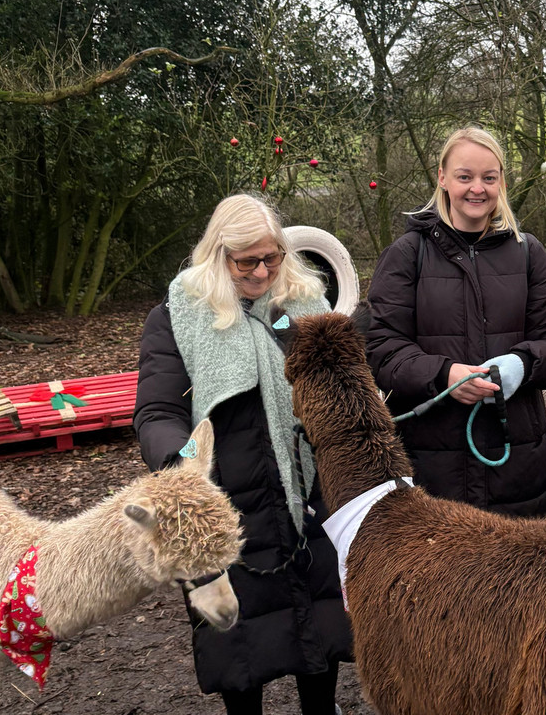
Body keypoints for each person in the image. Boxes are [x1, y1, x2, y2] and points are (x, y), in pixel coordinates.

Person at [133, 194, 352, 715]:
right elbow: (156, 412)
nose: (262, 271)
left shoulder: (304, 309)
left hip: (308, 502)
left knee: (320, 642)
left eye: (272, 258)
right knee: (241, 658)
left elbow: (343, 384)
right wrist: (183, 461)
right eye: (246, 261)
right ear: (218, 255)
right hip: (227, 509)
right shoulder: (177, 319)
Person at [366, 126, 546, 517]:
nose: (476, 188)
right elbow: (381, 350)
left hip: (517, 472)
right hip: (430, 472)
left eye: (488, 178)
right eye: (465, 176)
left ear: (502, 183)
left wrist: (518, 366)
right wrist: (443, 375)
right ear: (442, 178)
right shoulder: (407, 255)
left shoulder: (528, 253)